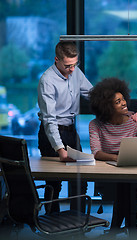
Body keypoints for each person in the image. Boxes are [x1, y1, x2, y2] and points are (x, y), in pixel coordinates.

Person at [37, 41, 92, 214]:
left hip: (70, 131)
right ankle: (51, 221)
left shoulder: (75, 71)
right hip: (51, 135)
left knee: (81, 180)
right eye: (68, 65)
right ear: (57, 60)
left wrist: (110, 102)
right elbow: (49, 119)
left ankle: (78, 221)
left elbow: (91, 93)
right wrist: (60, 150)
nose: (72, 69)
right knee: (54, 183)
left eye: (75, 64)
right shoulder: (47, 80)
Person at [88, 77, 137, 229]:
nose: (123, 103)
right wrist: (117, 158)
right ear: (106, 107)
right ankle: (131, 228)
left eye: (123, 99)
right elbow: (96, 152)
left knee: (127, 185)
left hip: (135, 173)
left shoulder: (136, 121)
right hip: (109, 176)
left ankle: (116, 229)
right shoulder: (96, 125)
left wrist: (125, 159)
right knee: (124, 186)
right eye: (117, 102)